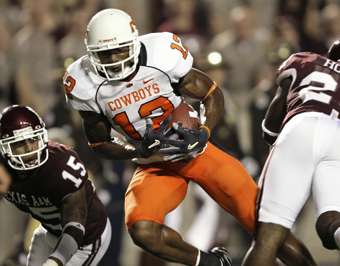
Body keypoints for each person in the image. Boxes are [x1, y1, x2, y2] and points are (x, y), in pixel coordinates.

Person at [63, 8, 316, 266]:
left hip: (196, 152)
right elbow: (99, 143)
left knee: (265, 226)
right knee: (141, 229)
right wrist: (136, 150)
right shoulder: (84, 83)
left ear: (134, 41)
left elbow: (212, 93)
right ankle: (210, 262)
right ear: (90, 52)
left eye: (120, 49)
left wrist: (204, 132)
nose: (114, 60)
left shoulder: (160, 54)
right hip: (155, 164)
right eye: (105, 54)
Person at [242, 40, 340, 266]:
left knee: (268, 237)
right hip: (337, 135)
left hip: (302, 125)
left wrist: (274, 141)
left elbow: (272, 121)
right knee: (331, 223)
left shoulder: (306, 60)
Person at [0, 105, 111, 266]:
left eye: (33, 140)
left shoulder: (61, 166)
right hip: (49, 231)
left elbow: (75, 227)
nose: (30, 150)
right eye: (20, 144)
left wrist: (55, 262)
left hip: (85, 238)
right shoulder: (4, 170)